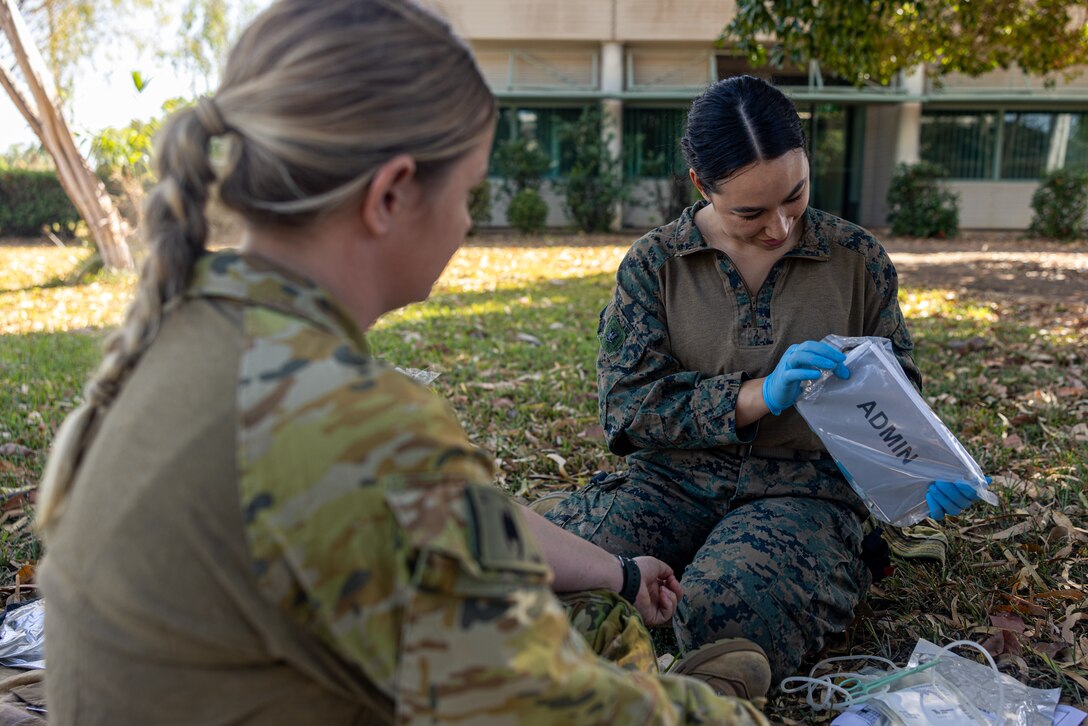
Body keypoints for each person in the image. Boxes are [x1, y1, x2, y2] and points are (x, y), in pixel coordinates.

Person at [35, 2, 772, 723]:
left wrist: (616, 573)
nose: (466, 221)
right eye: (466, 193)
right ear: (391, 194)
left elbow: (453, 519)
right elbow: (544, 707)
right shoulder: (345, 417)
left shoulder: (186, 329)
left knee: (579, 608)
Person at [544, 75, 983, 684]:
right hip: (672, 477)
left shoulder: (857, 260)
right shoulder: (655, 265)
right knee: (542, 573)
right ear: (702, 186)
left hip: (802, 491)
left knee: (727, 616)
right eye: (750, 211)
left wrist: (920, 472)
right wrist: (756, 395)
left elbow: (895, 395)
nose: (778, 226)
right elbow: (628, 406)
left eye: (795, 197)